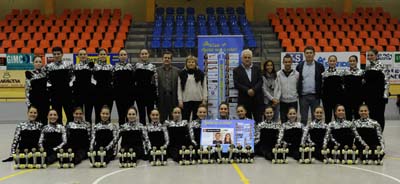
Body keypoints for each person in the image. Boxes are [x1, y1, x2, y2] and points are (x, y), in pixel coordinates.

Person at [296, 46, 325, 125]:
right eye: (307, 53)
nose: (309, 55)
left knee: (316, 118)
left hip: (315, 96)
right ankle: (304, 135)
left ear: (314, 54)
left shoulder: (320, 66)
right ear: (304, 54)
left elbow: (322, 81)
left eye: (311, 53)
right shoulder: (300, 66)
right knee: (303, 118)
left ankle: (314, 135)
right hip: (303, 96)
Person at [44, 47, 74, 123]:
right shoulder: (48, 67)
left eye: (58, 54)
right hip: (55, 94)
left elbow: (72, 77)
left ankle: (69, 132)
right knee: (57, 116)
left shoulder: (68, 65)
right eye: (55, 54)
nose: (57, 55)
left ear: (62, 54)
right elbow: (47, 80)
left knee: (70, 115)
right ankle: (59, 133)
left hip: (67, 93)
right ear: (52, 55)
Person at [233, 49, 264, 122]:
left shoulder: (257, 68)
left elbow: (260, 81)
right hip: (244, 101)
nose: (247, 59)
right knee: (246, 123)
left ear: (251, 58)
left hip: (257, 100)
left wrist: (253, 90)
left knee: (259, 121)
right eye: (245, 57)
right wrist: (247, 90)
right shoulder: (236, 70)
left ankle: (258, 134)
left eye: (249, 57)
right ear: (242, 58)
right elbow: (236, 84)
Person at [364, 48, 389, 131]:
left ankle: (379, 136)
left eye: (372, 55)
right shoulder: (367, 67)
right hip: (368, 96)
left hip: (379, 96)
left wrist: (385, 95)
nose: (370, 57)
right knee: (370, 115)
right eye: (368, 55)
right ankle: (372, 135)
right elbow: (365, 82)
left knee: (379, 115)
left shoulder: (382, 66)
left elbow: (387, 81)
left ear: (376, 56)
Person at [178, 55, 207, 121]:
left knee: (196, 120)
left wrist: (204, 99)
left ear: (195, 63)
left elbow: (204, 87)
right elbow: (179, 88)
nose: (191, 63)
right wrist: (180, 100)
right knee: (185, 119)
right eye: (189, 62)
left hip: (198, 100)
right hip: (185, 100)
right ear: (186, 63)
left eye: (193, 62)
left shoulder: (201, 74)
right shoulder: (181, 74)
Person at [135, 49, 158, 125]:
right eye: (142, 54)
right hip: (139, 94)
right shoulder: (136, 66)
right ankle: (142, 132)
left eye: (146, 53)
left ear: (148, 55)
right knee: (141, 115)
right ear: (140, 55)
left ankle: (151, 131)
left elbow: (156, 81)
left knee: (150, 114)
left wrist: (155, 94)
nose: (144, 55)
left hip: (149, 93)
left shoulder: (153, 67)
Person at [73, 49, 95, 123]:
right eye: (81, 54)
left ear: (87, 55)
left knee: (88, 115)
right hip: (78, 93)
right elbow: (71, 79)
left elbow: (95, 78)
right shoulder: (74, 67)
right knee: (78, 115)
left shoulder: (91, 66)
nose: (83, 56)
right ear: (78, 56)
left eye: (84, 54)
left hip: (89, 93)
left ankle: (89, 132)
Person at [274, 55, 299, 123]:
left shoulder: (297, 74)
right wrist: (276, 98)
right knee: (283, 121)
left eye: (289, 62)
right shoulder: (278, 74)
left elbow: (298, 86)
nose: (287, 63)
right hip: (283, 102)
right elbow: (277, 87)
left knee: (293, 121)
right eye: (286, 62)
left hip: (293, 101)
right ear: (283, 62)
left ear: (291, 62)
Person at [156, 51, 180, 122]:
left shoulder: (177, 71)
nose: (167, 59)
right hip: (161, 98)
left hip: (173, 98)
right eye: (165, 58)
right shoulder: (157, 70)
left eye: (169, 58)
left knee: (174, 119)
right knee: (162, 120)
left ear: (171, 60)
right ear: (162, 59)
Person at [113, 49, 135, 124]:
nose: (123, 56)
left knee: (130, 115)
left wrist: (133, 95)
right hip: (119, 96)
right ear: (118, 56)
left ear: (127, 56)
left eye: (124, 54)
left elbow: (133, 81)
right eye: (121, 55)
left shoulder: (131, 67)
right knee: (121, 116)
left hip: (129, 95)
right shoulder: (115, 67)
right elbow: (113, 82)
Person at [25, 56, 49, 123]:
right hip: (34, 101)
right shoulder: (29, 74)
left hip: (45, 101)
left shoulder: (46, 74)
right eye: (36, 62)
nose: (38, 63)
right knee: (35, 121)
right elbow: (27, 89)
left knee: (44, 120)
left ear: (42, 63)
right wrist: (28, 103)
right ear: (33, 63)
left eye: (40, 62)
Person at [93, 48, 114, 123]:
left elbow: (113, 79)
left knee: (108, 113)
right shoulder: (94, 67)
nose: (102, 55)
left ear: (107, 55)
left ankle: (109, 130)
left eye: (104, 54)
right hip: (97, 92)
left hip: (108, 92)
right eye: (101, 54)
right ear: (98, 55)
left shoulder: (111, 67)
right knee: (98, 112)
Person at [321, 55, 344, 123]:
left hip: (337, 99)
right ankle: (327, 133)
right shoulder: (323, 74)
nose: (332, 62)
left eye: (334, 61)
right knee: (328, 117)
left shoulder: (340, 73)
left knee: (338, 117)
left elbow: (342, 86)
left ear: (336, 62)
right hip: (327, 99)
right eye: (330, 61)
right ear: (328, 62)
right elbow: (322, 86)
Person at [343, 55, 364, 121]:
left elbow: (364, 85)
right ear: (348, 62)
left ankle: (357, 130)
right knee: (348, 116)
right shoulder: (345, 72)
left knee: (358, 116)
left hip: (358, 98)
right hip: (347, 99)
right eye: (350, 61)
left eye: (353, 61)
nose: (352, 62)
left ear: (357, 62)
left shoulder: (361, 72)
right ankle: (349, 131)